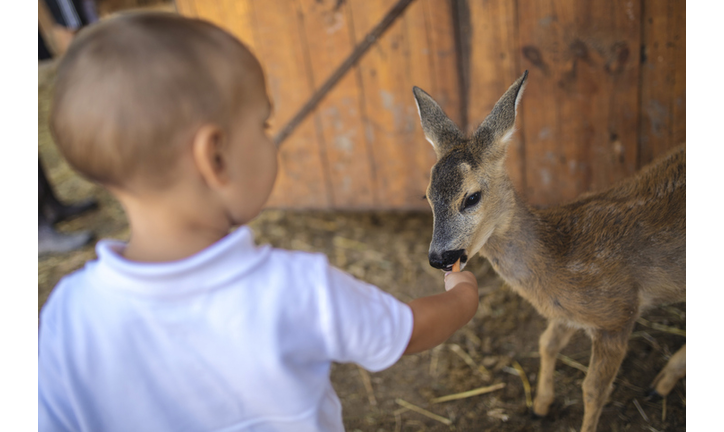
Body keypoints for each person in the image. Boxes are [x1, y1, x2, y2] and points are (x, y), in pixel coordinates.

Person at [38, 12, 480, 432]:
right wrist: (461, 298)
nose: (271, 138)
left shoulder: (66, 315)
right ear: (214, 158)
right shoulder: (296, 288)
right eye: (263, 124)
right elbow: (405, 331)